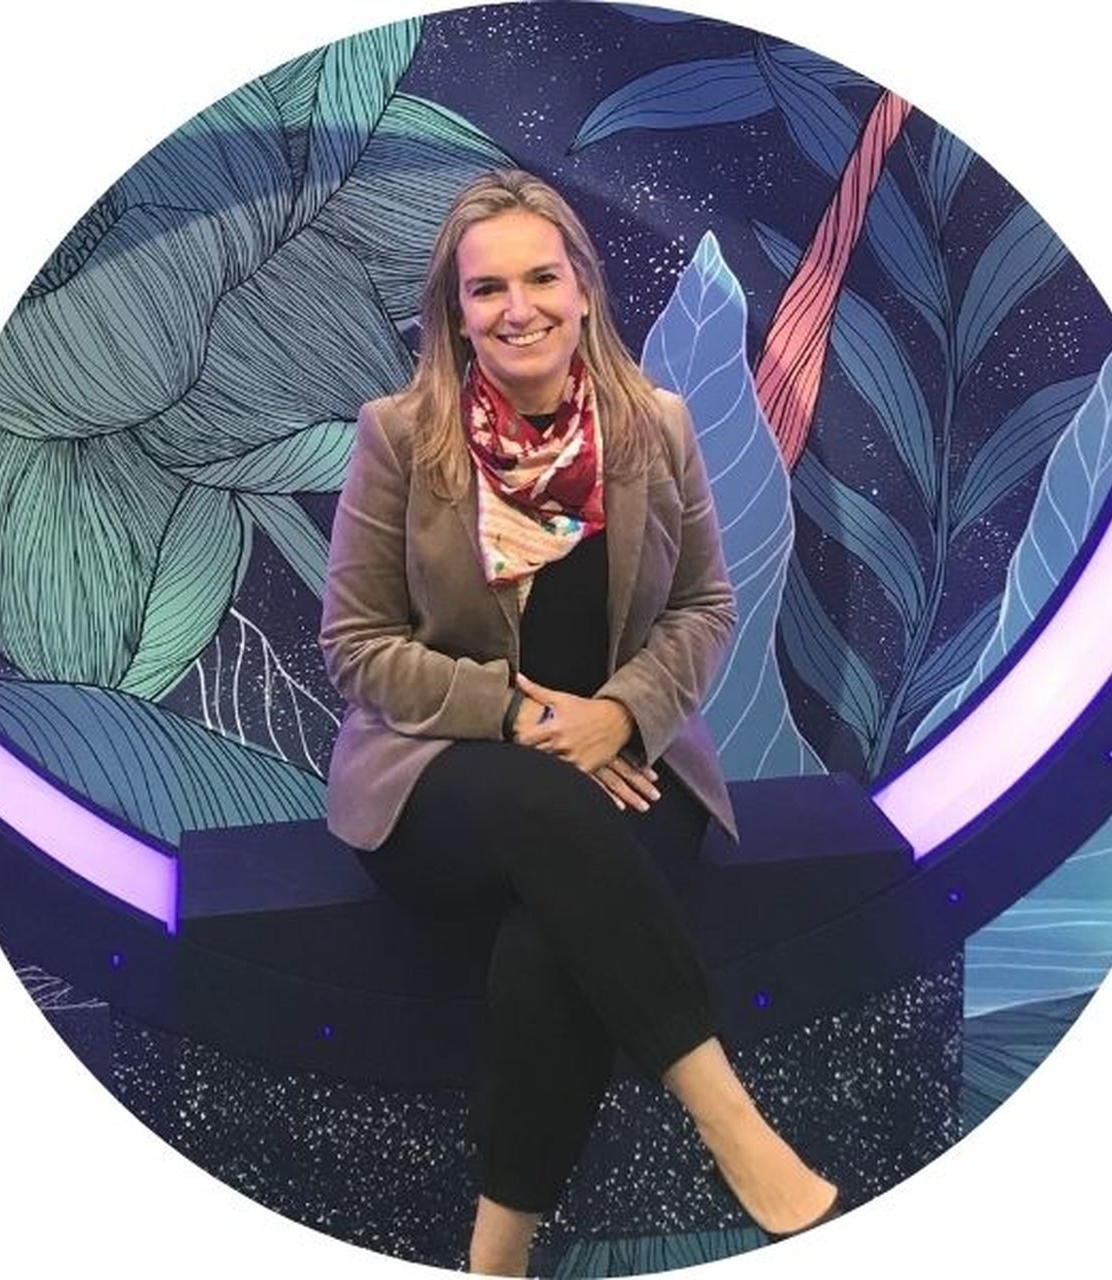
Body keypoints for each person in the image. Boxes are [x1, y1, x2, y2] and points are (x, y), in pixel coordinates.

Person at [320, 169, 838, 1275]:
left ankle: (495, 1254)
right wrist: (516, 713)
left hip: (633, 765)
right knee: (538, 802)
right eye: (487, 288)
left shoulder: (656, 425)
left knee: (545, 945)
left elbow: (704, 605)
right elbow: (357, 645)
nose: (519, 308)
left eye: (541, 278)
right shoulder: (399, 436)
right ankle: (726, 1115)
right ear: (455, 311)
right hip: (447, 781)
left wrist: (620, 713)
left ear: (584, 288)